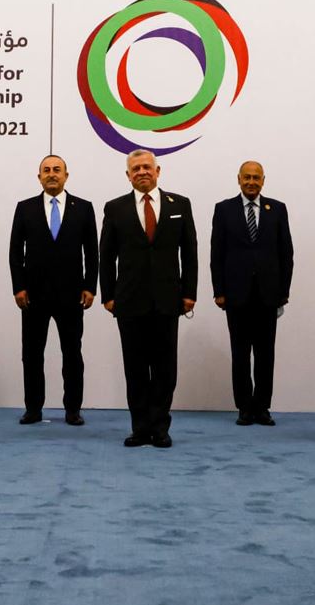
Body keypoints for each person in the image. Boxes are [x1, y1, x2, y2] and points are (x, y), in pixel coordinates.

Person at [99, 149, 197, 448]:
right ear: (128, 175)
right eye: (136, 169)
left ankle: (160, 427)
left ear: (158, 171)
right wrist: (108, 295)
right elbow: (106, 255)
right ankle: (140, 428)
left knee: (166, 369)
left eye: (146, 167)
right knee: (136, 368)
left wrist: (189, 292)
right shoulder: (115, 208)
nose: (142, 172)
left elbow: (189, 252)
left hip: (168, 300)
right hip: (129, 301)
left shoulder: (180, 204)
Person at [8, 154, 98, 426]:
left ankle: (73, 409)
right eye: (46, 170)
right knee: (31, 354)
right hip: (33, 295)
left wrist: (90, 286)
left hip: (72, 294)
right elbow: (15, 252)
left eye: (57, 169)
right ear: (39, 177)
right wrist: (19, 287)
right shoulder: (25, 208)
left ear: (66, 175)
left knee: (72, 354)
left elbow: (92, 252)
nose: (51, 174)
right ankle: (33, 408)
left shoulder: (84, 208)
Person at [209, 160, 293, 426]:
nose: (251, 182)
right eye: (247, 177)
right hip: (236, 294)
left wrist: (284, 291)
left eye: (256, 178)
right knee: (240, 353)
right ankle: (244, 407)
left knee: (266, 354)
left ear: (263, 180)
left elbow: (286, 253)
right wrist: (219, 291)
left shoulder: (277, 209)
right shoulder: (224, 209)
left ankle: (263, 407)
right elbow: (217, 253)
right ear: (239, 179)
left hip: (268, 294)